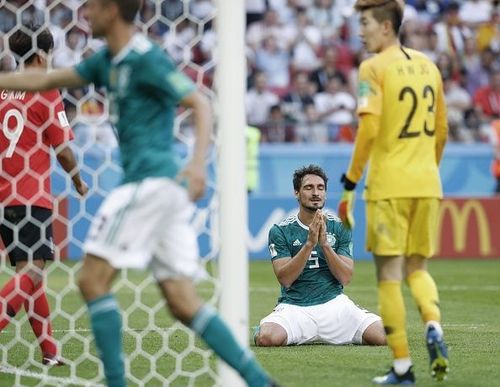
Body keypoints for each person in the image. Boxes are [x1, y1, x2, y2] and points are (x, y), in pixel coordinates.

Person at [0, 1, 276, 386]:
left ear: (112, 10)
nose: (84, 14)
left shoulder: (147, 59)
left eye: (92, 7)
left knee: (91, 281)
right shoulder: (105, 61)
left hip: (149, 184)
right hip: (157, 190)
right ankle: (261, 382)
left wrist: (197, 163)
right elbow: (44, 81)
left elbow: (199, 102)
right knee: (183, 302)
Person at [337, 0, 449, 384]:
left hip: (388, 186)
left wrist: (350, 182)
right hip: (427, 183)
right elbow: (443, 130)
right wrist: (426, 168)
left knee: (389, 275)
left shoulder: (372, 67)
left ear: (385, 26)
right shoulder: (429, 65)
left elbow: (368, 130)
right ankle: (433, 325)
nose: (360, 30)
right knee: (418, 268)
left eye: (365, 23)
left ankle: (403, 367)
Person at [0, 25, 88, 365]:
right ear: (41, 56)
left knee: (30, 274)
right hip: (28, 195)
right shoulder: (45, 90)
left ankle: (49, 352)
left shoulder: (4, 90)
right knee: (33, 272)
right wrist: (78, 181)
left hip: (4, 194)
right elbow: (63, 150)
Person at [254, 165, 386, 347]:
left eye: (320, 187)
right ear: (296, 193)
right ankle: (266, 325)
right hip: (295, 307)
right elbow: (285, 279)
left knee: (384, 336)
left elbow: (346, 277)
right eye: (309, 188)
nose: (315, 192)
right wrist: (309, 244)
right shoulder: (280, 231)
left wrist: (324, 244)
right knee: (266, 338)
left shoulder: (339, 227)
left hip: (335, 305)